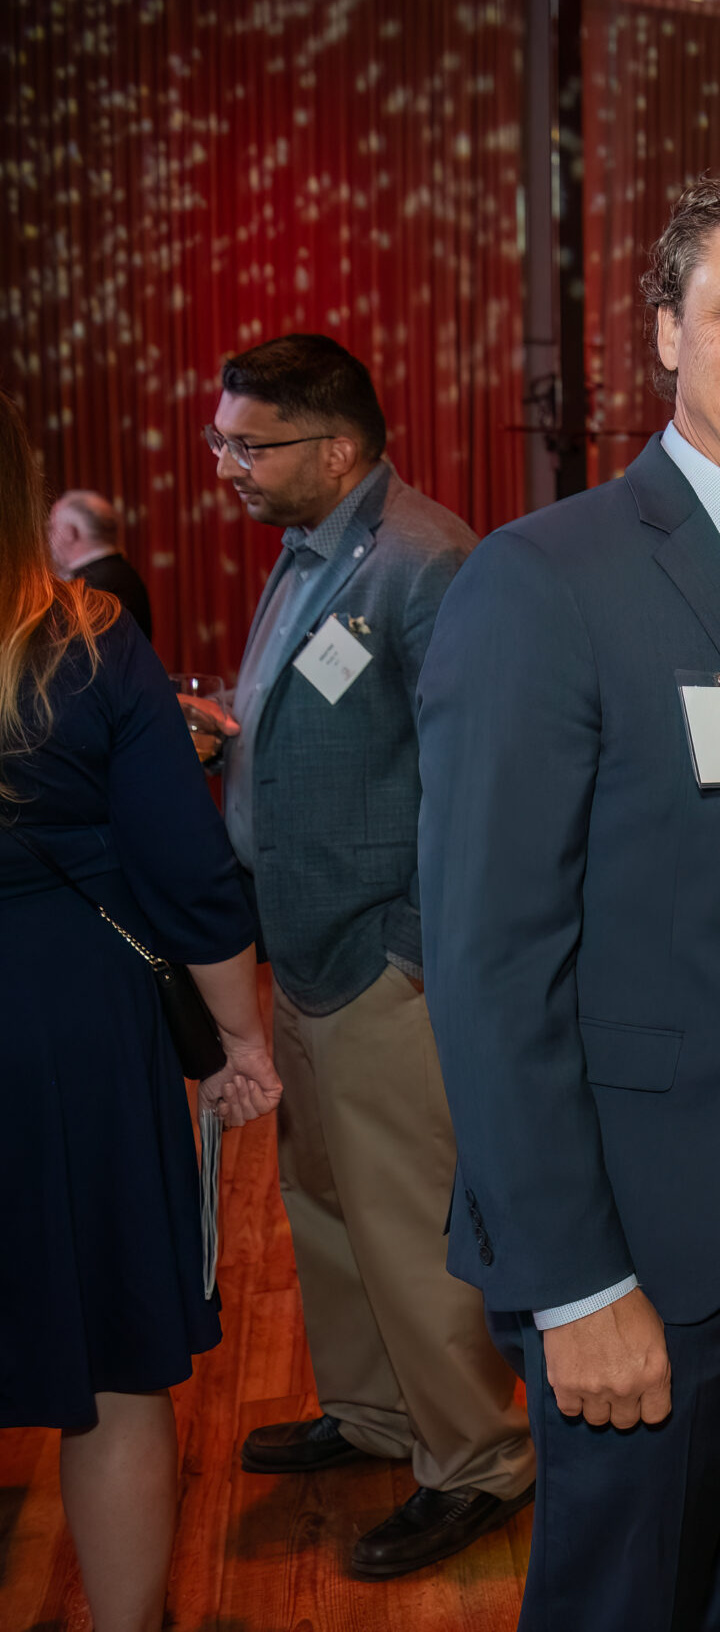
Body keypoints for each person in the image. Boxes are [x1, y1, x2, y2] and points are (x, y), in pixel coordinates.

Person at [418, 169, 720, 1629]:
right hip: (637, 1220)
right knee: (625, 1596)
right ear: (664, 334)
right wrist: (572, 1283)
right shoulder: (543, 578)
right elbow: (489, 964)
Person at [187, 334, 532, 1578]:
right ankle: (378, 1414)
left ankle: (477, 1460)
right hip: (305, 948)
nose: (226, 464)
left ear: (337, 450)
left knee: (408, 1224)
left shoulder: (427, 562)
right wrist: (232, 736)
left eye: (250, 443)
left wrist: (410, 950)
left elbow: (478, 781)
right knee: (327, 1205)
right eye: (224, 439)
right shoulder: (309, 550)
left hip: (388, 963)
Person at [0, 387, 281, 1632]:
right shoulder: (89, 640)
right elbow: (188, 871)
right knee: (114, 1372)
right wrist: (240, 1040)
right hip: (71, 1031)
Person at [47, 489, 153, 641]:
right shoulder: (119, 572)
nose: (49, 539)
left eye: (52, 528)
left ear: (70, 532)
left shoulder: (93, 585)